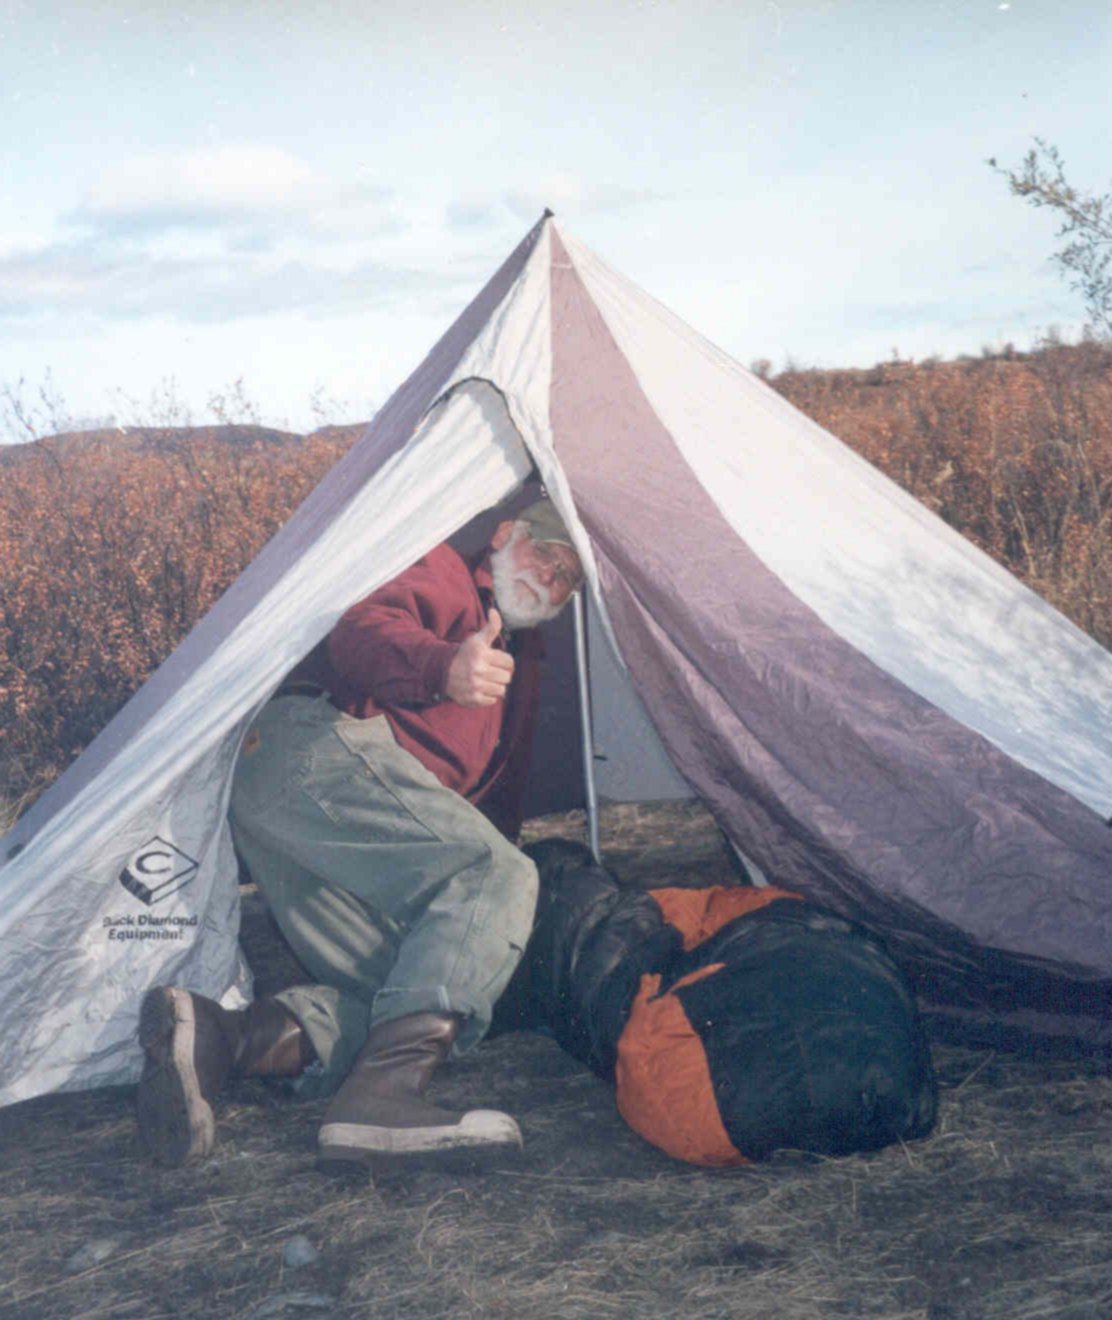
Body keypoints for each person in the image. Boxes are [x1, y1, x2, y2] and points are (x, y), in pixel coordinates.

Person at [136, 499, 584, 1168]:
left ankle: (219, 1039)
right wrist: (443, 666)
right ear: (503, 534)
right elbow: (359, 628)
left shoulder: (515, 665)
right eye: (544, 552)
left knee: (426, 979)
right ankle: (384, 1099)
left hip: (307, 809)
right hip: (313, 747)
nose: (548, 576)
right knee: (496, 873)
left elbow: (483, 811)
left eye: (565, 578)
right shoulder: (443, 570)